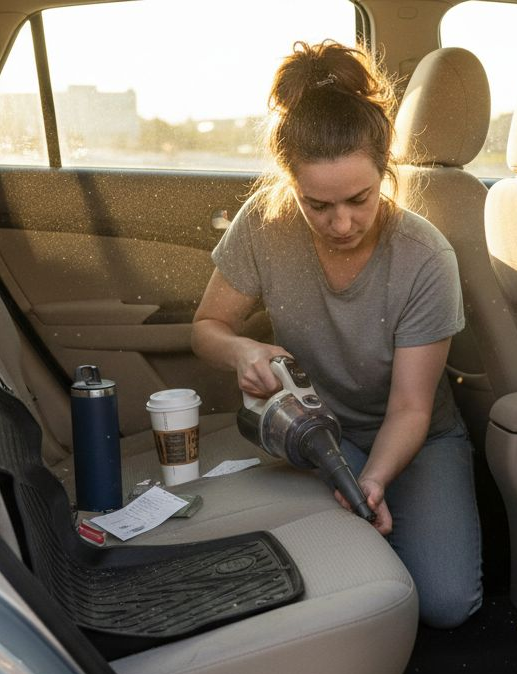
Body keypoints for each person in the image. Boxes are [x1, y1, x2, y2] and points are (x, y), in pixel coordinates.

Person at [191, 41, 482, 629]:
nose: (341, 222)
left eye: (359, 199)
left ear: (384, 172)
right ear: (289, 183)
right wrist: (242, 350)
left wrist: (371, 481)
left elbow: (410, 408)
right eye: (317, 205)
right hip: (312, 428)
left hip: (416, 436)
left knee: (447, 604)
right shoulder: (264, 223)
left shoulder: (425, 257)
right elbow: (205, 328)